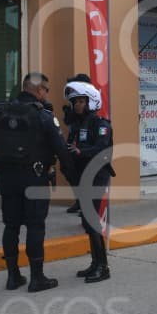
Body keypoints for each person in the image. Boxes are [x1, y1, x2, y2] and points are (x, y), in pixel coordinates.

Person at [0, 72, 73, 292]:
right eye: (46, 90)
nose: (47, 94)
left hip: (7, 179)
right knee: (35, 226)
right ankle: (37, 278)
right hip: (34, 179)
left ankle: (13, 276)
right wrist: (73, 174)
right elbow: (61, 150)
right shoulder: (44, 116)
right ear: (39, 90)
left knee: (11, 226)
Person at [64, 78, 115, 283]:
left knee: (92, 221)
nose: (77, 105)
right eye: (75, 102)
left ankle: (103, 267)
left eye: (81, 101)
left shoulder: (101, 124)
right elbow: (70, 146)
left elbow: (102, 148)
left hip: (97, 176)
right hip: (83, 177)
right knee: (87, 221)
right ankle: (95, 263)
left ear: (91, 101)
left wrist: (80, 152)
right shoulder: (76, 125)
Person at [62, 73, 93, 215]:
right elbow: (69, 120)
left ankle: (86, 204)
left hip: (86, 140)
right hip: (74, 137)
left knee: (85, 172)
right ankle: (79, 199)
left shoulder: (90, 99)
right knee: (68, 168)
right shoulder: (74, 99)